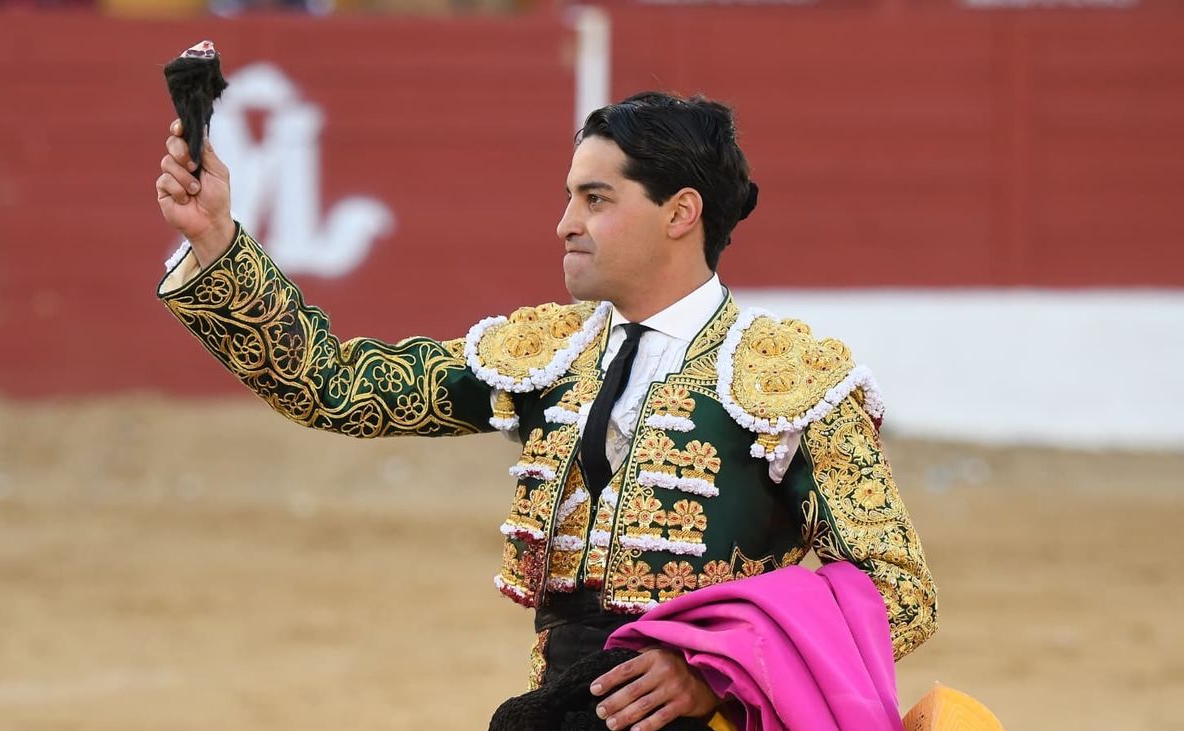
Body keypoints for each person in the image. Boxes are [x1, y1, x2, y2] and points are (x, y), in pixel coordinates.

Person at [154, 91, 937, 731]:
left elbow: (896, 590)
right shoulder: (547, 353)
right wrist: (219, 241)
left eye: (596, 200)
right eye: (569, 198)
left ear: (680, 212)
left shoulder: (792, 377)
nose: (565, 223)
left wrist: (716, 666)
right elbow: (334, 383)